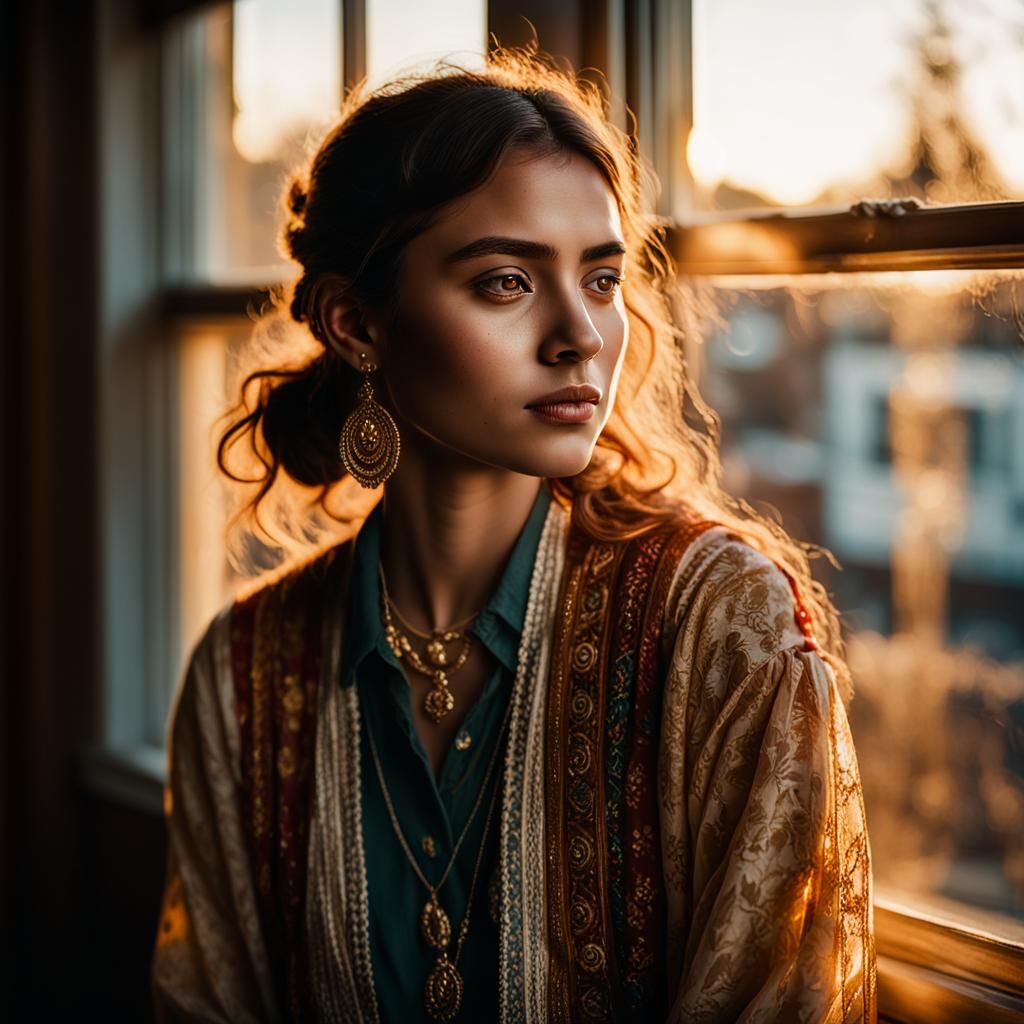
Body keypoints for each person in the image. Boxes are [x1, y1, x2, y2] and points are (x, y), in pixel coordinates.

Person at [151, 43, 877, 1024]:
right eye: (505, 281)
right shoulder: (243, 678)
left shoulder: (720, 628)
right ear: (356, 324)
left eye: (604, 277)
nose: (580, 332)